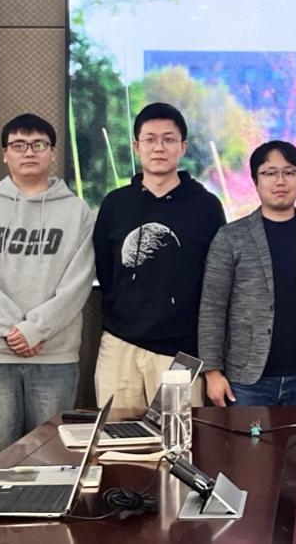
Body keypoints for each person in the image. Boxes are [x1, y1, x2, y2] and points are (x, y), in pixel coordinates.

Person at [0, 114, 95, 461]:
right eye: (19, 145)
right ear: (5, 154)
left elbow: (79, 281)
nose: (29, 152)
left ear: (53, 152)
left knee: (54, 457)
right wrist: (12, 329)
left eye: (39, 145)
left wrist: (35, 329)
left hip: (55, 356)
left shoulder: (77, 212)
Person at [92, 102, 225, 408]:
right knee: (115, 432)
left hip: (181, 351)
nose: (159, 147)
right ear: (137, 147)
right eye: (150, 139)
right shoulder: (115, 204)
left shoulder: (206, 206)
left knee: (176, 433)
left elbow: (216, 282)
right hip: (119, 344)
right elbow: (106, 270)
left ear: (183, 147)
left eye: (168, 139)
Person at [198, 141, 296, 406]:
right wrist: (212, 372)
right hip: (245, 380)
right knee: (247, 437)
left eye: (289, 172)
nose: (280, 181)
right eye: (269, 173)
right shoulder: (230, 237)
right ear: (255, 180)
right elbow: (212, 308)